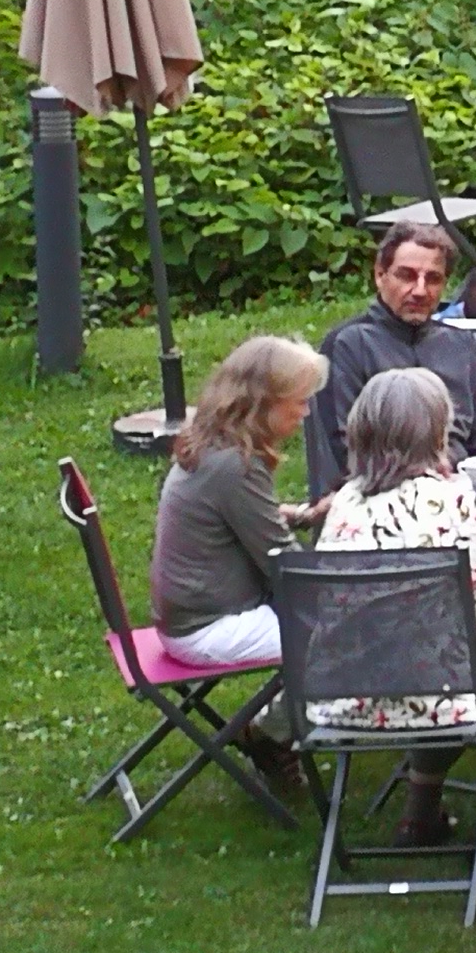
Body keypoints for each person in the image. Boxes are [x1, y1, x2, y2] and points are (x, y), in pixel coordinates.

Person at [310, 368, 476, 846]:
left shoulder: (343, 505)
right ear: (436, 434)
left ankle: (420, 813)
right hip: (441, 688)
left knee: (438, 660)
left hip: (348, 688)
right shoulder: (455, 502)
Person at [149, 334, 327, 792]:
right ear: (263, 404)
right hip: (206, 627)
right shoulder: (236, 466)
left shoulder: (212, 446)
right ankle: (271, 734)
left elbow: (242, 520)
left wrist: (299, 515)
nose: (305, 412)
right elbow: (284, 566)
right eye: (298, 401)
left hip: (187, 615)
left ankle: (273, 730)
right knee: (348, 633)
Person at [307, 221, 476, 497]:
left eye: (433, 279)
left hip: (463, 497)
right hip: (375, 499)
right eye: (407, 276)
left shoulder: (460, 345)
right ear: (380, 275)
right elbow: (343, 453)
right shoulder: (348, 345)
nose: (420, 291)